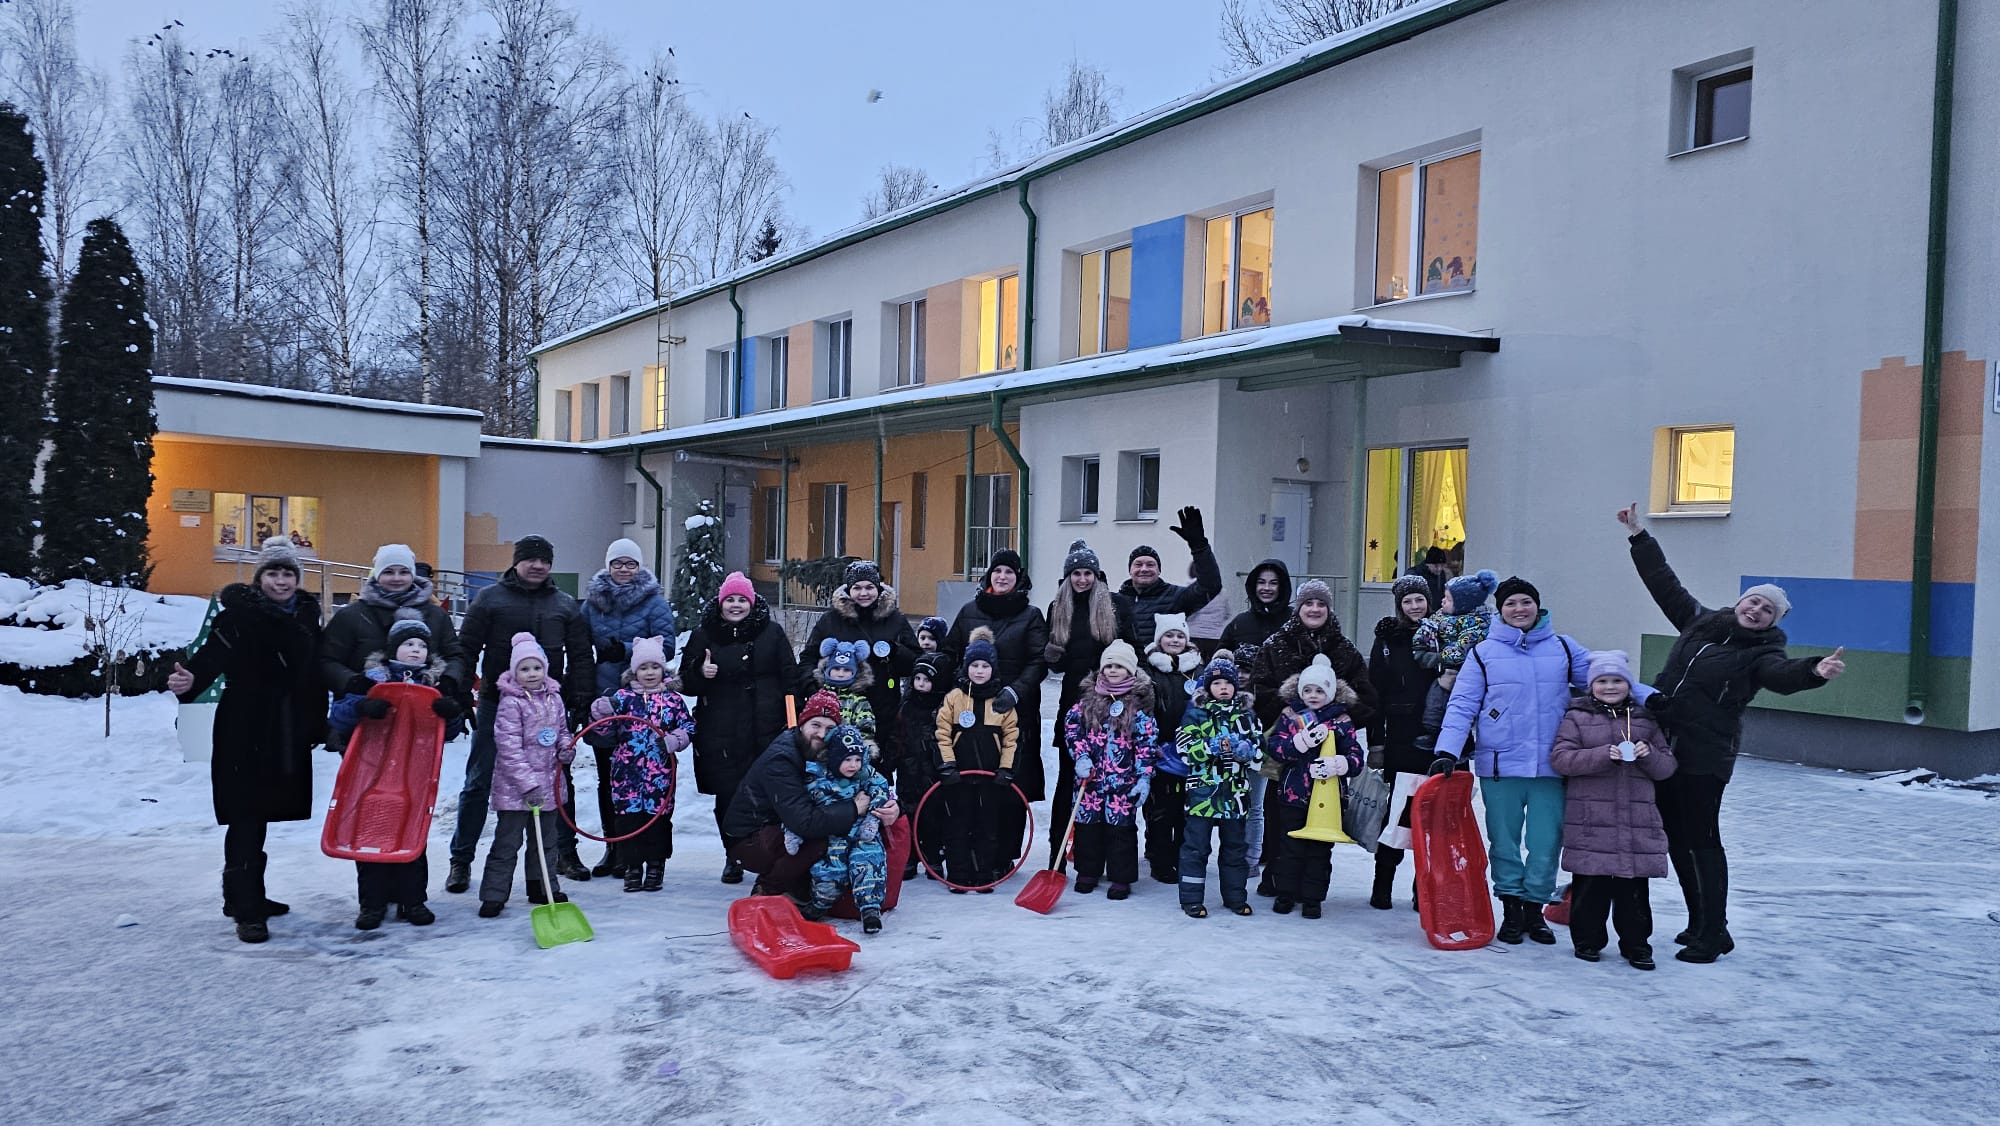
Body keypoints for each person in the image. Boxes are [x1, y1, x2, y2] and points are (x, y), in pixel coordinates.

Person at [1617, 503, 1846, 963]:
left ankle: (1711, 932)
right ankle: (1704, 924)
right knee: (1676, 837)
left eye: (1768, 610)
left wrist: (1813, 671)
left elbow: (1781, 676)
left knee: (1701, 839)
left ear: (1774, 621)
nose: (1757, 610)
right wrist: (1639, 535)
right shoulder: (1700, 622)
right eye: (1754, 602)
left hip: (1705, 756)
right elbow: (1663, 583)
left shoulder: (1762, 653)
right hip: (1665, 745)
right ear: (1741, 602)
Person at [167, 536, 329, 944]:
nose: (281, 581)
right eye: (273, 573)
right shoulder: (237, 617)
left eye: (288, 573)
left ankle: (244, 894)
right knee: (246, 815)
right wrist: (190, 681)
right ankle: (246, 908)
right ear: (260, 578)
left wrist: (317, 723)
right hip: (245, 724)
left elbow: (313, 674)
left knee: (265, 812)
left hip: (287, 727)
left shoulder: (307, 616)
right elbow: (209, 659)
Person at [1431, 576, 1593, 945]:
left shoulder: (1563, 648)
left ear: (1538, 605)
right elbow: (1462, 704)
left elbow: (1607, 681)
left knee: (1545, 842)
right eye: (1511, 604)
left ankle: (1534, 910)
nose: (1519, 609)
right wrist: (1447, 750)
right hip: (1500, 766)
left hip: (1551, 766)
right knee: (1503, 842)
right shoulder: (1483, 653)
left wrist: (1650, 699)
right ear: (1500, 610)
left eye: (1525, 602)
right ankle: (1511, 910)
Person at [318, 544, 469, 920]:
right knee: (370, 809)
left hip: (417, 735)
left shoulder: (434, 615)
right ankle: (372, 900)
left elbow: (455, 655)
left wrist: (449, 687)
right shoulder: (354, 615)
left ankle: (411, 897)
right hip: (369, 732)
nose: (397, 578)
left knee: (411, 809)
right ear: (376, 575)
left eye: (403, 571)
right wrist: (354, 686)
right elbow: (326, 659)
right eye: (389, 571)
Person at [446, 535, 596, 895]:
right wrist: (460, 694)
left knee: (557, 781)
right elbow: (466, 648)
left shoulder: (564, 605)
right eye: (530, 559)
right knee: (479, 779)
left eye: (544, 560)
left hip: (547, 707)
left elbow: (580, 655)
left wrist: (581, 698)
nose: (538, 566)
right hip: (497, 704)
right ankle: (461, 859)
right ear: (516, 562)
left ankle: (565, 853)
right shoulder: (490, 599)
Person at [1247, 577, 1377, 893]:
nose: (1315, 609)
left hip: (1328, 758)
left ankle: (1311, 889)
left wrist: (1347, 714)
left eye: (1321, 604)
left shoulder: (1344, 649)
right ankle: (1277, 878)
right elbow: (1258, 688)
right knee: (1281, 818)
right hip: (1287, 753)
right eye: (1309, 603)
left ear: (1329, 609)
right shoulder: (1276, 644)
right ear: (1298, 608)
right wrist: (1284, 708)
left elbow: (1367, 697)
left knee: (1321, 824)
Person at [1549, 651, 1676, 970]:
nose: (1609, 686)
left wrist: (1648, 754)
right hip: (1591, 820)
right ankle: (1587, 940)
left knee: (1633, 889)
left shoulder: (1645, 719)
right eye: (1602, 681)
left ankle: (1637, 944)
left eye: (1617, 680)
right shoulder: (1576, 717)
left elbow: (1666, 767)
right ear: (1591, 685)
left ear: (1628, 685)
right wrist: (1601, 755)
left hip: (1635, 820)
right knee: (1590, 885)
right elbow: (1561, 759)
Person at [681, 571, 804, 884]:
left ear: (752, 602)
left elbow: (790, 676)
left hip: (767, 727)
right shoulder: (705, 634)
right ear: (721, 603)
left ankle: (770, 852)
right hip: (720, 730)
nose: (736, 605)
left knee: (770, 793)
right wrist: (701, 671)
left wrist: (794, 719)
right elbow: (687, 682)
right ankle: (733, 855)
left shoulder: (771, 633)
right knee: (729, 795)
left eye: (741, 600)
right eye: (730, 600)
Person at [724, 690, 899, 899]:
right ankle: (767, 890)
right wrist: (854, 808)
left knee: (842, 834)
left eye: (830, 728)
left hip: (782, 825)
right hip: (749, 838)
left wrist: (891, 806)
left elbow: (867, 778)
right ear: (802, 724)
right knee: (819, 839)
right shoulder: (781, 759)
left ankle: (807, 887)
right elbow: (804, 822)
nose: (822, 734)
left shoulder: (830, 751)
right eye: (815, 725)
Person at [944, 549, 1049, 869]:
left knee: (1009, 779)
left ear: (1019, 578)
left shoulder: (1030, 615)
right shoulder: (969, 611)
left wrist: (1015, 691)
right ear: (989, 575)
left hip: (1014, 709)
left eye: (1009, 572)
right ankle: (967, 850)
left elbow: (1039, 660)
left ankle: (1003, 853)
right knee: (972, 780)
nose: (1002, 577)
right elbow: (951, 652)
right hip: (972, 710)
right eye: (997, 571)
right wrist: (960, 685)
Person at [581, 537, 676, 878]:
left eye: (630, 563)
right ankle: (614, 846)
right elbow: (579, 643)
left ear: (639, 567)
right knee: (609, 777)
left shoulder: (654, 602)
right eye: (618, 563)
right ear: (608, 565)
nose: (624, 569)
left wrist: (624, 650)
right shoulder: (593, 603)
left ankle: (641, 850)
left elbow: (667, 645)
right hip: (605, 697)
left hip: (643, 701)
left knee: (645, 779)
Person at [1043, 538, 1138, 860]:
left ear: (1097, 575)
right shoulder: (1058, 607)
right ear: (1068, 576)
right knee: (1069, 778)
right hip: (1072, 702)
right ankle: (1057, 853)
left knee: (1109, 779)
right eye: (1076, 573)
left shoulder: (1116, 604)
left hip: (1111, 701)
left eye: (1088, 573)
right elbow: (1058, 665)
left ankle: (1098, 856)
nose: (1082, 579)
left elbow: (1132, 649)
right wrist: (1052, 657)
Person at [476, 632, 574, 917]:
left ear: (545, 668)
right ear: (514, 672)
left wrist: (565, 749)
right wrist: (528, 785)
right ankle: (494, 894)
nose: (532, 674)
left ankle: (542, 887)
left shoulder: (555, 699)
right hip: (516, 789)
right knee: (508, 842)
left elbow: (562, 732)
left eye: (537, 667)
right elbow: (508, 748)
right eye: (524, 668)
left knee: (545, 841)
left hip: (549, 784)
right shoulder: (511, 703)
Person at [587, 635, 693, 893]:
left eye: (655, 667)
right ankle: (632, 867)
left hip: (660, 775)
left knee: (658, 822)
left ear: (663, 669)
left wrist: (674, 740)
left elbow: (688, 726)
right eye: (644, 667)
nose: (649, 672)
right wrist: (600, 711)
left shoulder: (672, 700)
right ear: (634, 670)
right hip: (627, 775)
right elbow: (604, 729)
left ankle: (656, 866)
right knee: (629, 821)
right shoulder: (623, 698)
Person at [1265, 655, 1364, 919]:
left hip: (1327, 800)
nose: (1313, 695)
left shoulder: (1341, 720)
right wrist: (1298, 744)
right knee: (1289, 848)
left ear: (1330, 693)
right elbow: (1275, 747)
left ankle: (1312, 898)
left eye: (1320, 690)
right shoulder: (1290, 715)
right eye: (1307, 690)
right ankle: (1286, 893)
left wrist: (1339, 764)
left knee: (1319, 851)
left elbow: (1356, 756)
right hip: (1293, 793)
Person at [799, 560, 918, 773]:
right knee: (835, 769)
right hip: (838, 709)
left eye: (869, 587)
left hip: (883, 709)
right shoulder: (830, 621)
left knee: (876, 770)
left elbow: (915, 663)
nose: (864, 593)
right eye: (857, 587)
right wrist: (815, 689)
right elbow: (808, 658)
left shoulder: (895, 619)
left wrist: (895, 650)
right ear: (848, 590)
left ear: (878, 589)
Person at [1063, 640, 1160, 901]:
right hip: (1090, 781)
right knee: (1088, 828)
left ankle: (1121, 877)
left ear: (1130, 670)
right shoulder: (1088, 701)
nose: (1113, 670)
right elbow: (1073, 729)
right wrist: (1081, 756)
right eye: (1108, 666)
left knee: (1121, 831)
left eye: (1119, 666)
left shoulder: (1137, 705)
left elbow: (1146, 743)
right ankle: (1088, 871)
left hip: (1122, 782)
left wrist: (1143, 776)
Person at [1366, 574, 1439, 911]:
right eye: (1407, 601)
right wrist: (1376, 743)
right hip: (1401, 738)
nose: (1414, 606)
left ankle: (1423, 889)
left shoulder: (1442, 634)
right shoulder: (1388, 639)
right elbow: (1375, 694)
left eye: (1419, 599)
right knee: (1396, 815)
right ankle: (1382, 884)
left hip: (1439, 738)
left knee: (1434, 818)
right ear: (1399, 606)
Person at [932, 628, 1021, 891]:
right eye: (974, 665)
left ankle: (984, 874)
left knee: (987, 827)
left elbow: (1012, 738)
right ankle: (958, 876)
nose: (979, 671)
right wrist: (947, 765)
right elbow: (941, 733)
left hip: (990, 779)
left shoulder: (1002, 701)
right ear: (966, 667)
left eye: (985, 666)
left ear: (993, 669)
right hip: (958, 777)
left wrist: (1006, 769)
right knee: (957, 826)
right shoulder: (954, 698)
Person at [1175, 654, 1261, 918]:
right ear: (1208, 687)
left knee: (1235, 849)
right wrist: (1208, 747)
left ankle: (1235, 897)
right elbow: (1185, 750)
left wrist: (1248, 751)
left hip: (1235, 796)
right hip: (1202, 795)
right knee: (1196, 848)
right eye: (1217, 683)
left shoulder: (1246, 716)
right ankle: (1191, 898)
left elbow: (1260, 752)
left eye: (1228, 683)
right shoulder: (1196, 715)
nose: (1223, 687)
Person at [797, 725, 897, 934]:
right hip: (835, 833)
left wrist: (873, 816)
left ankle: (870, 909)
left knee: (868, 862)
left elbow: (881, 789)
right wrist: (793, 832)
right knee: (831, 870)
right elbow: (804, 806)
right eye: (847, 760)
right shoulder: (819, 779)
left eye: (858, 759)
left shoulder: (865, 774)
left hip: (862, 832)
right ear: (834, 759)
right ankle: (820, 903)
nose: (854, 765)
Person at [1142, 612, 1203, 883]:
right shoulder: (1149, 671)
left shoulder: (1199, 669)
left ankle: (1182, 855)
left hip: (1192, 751)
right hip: (1160, 750)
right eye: (1169, 635)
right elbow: (1143, 709)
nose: (1175, 640)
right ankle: (1160, 859)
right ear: (1159, 640)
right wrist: (1151, 742)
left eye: (1180, 635)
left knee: (1186, 809)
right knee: (1161, 808)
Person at [1115, 506, 1222, 647]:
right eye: (1138, 564)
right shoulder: (1117, 601)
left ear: (1159, 570)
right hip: (1125, 661)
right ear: (1130, 570)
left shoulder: (1175, 597)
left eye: (1150, 565)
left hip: (1161, 661)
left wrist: (1199, 547)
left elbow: (1210, 586)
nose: (1144, 569)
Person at [896, 650, 955, 879]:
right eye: (917, 679)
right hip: (908, 770)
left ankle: (933, 856)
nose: (920, 684)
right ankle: (910, 856)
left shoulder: (942, 708)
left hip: (934, 771)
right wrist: (893, 756)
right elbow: (897, 735)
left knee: (933, 815)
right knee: (909, 813)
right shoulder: (906, 705)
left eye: (927, 680)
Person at [1218, 559, 1292, 669]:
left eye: (1273, 583)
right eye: (1261, 582)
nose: (1266, 588)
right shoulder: (1239, 622)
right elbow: (1220, 661)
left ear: (1282, 587)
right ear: (1254, 585)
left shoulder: (1294, 620)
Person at [811, 639, 879, 757]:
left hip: (848, 754)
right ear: (827, 670)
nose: (841, 674)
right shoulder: (818, 698)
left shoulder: (859, 702)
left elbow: (866, 729)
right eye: (836, 669)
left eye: (847, 670)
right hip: (818, 753)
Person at [1185, 560, 1232, 661]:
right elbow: (1227, 614)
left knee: (1194, 665)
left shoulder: (1189, 589)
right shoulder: (1222, 591)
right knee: (1213, 666)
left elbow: (1184, 613)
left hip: (1194, 636)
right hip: (1216, 637)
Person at [1405, 545, 1450, 611]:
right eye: (1436, 566)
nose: (1439, 569)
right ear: (1427, 564)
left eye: (1442, 565)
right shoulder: (1414, 574)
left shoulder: (1442, 574)